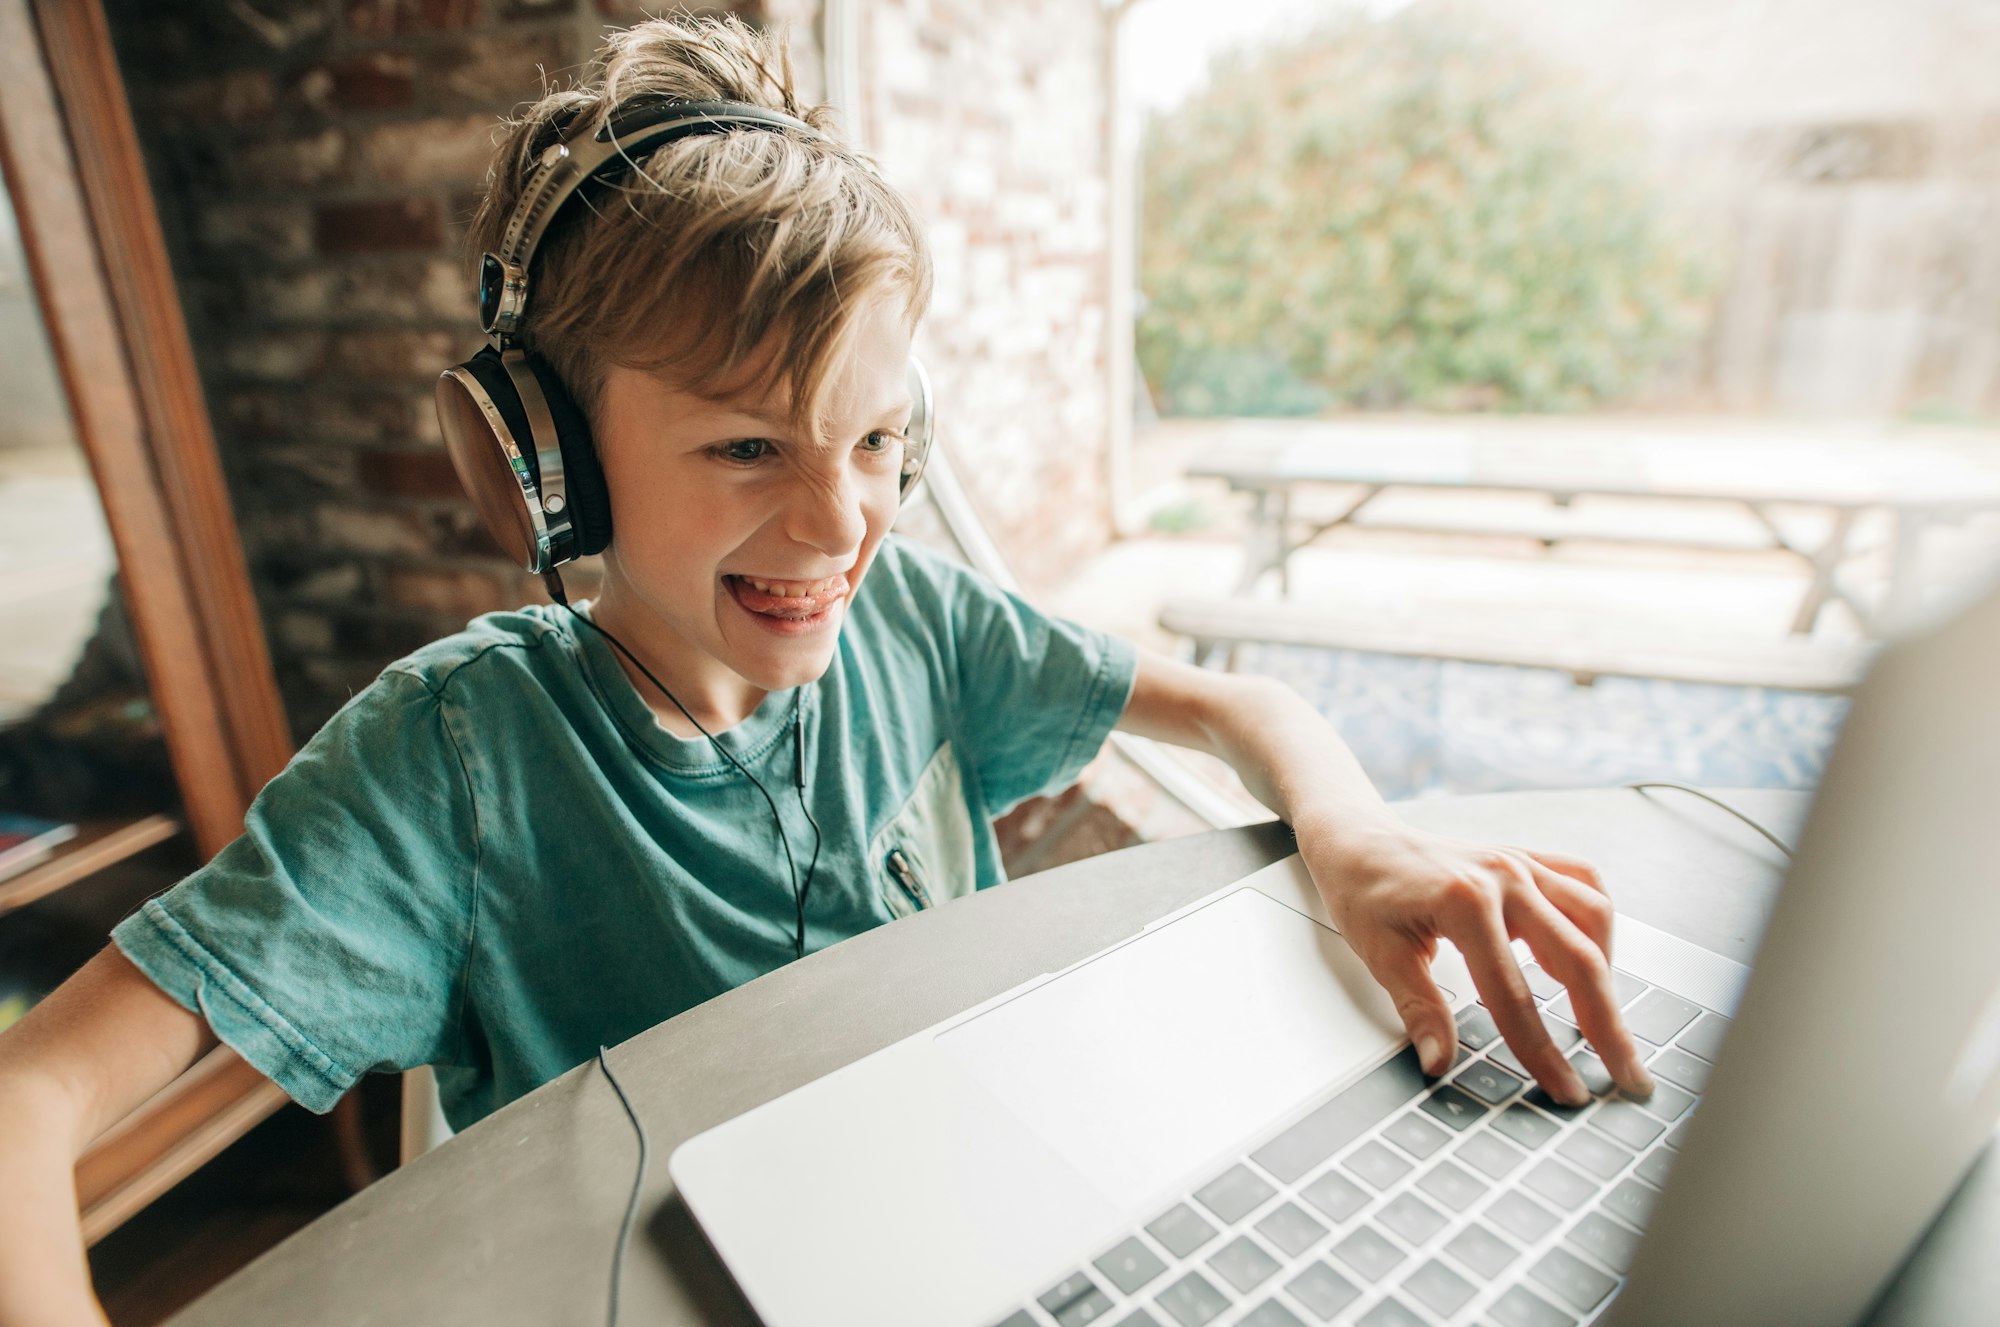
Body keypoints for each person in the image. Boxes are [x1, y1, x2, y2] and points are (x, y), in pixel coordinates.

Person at [0, 14, 1650, 1324]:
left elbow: (1245, 708)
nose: (837, 517)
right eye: (742, 445)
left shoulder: (915, 620)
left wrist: (1352, 836)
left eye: (875, 437)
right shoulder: (457, 761)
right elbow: (30, 1099)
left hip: (957, 1234)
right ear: (541, 464)